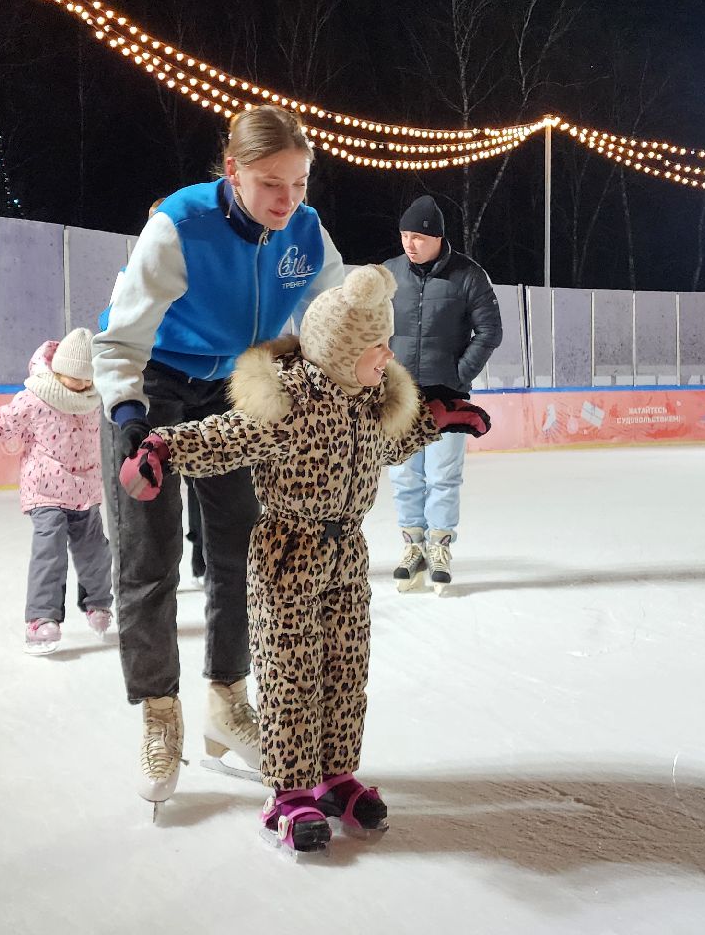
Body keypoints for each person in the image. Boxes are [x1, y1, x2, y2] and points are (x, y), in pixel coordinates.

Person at [118, 267, 492, 851]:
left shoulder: (367, 398)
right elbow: (229, 435)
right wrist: (164, 446)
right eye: (377, 346)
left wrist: (434, 422)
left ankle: (337, 775)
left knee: (346, 670)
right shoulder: (289, 400)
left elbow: (386, 445)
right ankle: (290, 792)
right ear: (344, 352)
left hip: (347, 551)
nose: (387, 356)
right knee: (291, 675)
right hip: (288, 553)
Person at [93, 105, 347, 808]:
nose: (286, 199)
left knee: (242, 550)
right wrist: (130, 417)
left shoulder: (304, 230)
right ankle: (160, 714)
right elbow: (119, 342)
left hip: (236, 386)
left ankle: (227, 703)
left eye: (298, 182)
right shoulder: (179, 226)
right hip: (152, 385)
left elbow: (335, 318)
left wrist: (368, 372)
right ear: (231, 171)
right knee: (149, 557)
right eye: (270, 182)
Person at [0, 330, 110, 656]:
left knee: (95, 552)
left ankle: (98, 604)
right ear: (59, 372)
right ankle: (42, 618)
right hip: (45, 489)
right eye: (76, 379)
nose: (84, 386)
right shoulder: (36, 398)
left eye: (89, 380)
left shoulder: (93, 398)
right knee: (50, 550)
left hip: (85, 490)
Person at [382, 195, 504, 593]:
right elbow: (370, 329)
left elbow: (490, 332)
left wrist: (458, 375)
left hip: (446, 397)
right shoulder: (388, 273)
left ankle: (439, 545)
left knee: (444, 475)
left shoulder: (468, 275)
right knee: (404, 476)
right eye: (404, 235)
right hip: (399, 396)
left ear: (437, 237)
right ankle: (412, 545)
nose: (409, 244)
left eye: (417, 236)